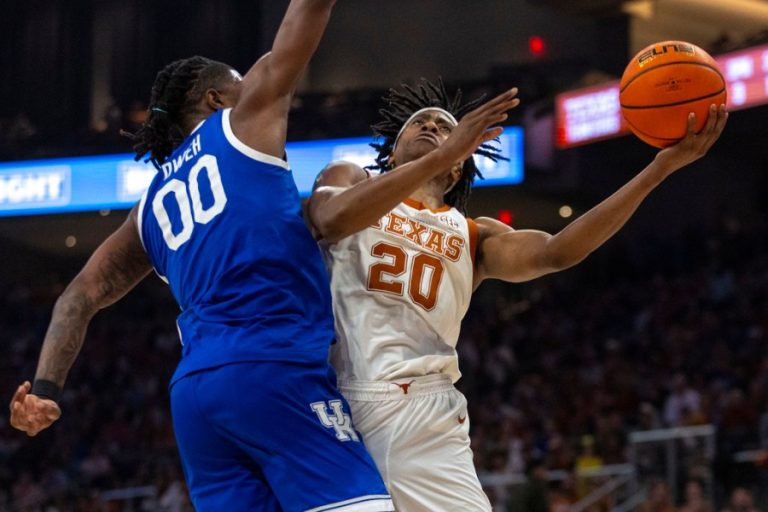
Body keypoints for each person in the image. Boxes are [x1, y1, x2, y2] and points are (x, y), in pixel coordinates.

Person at [8, 1, 395, 511]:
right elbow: (305, 17)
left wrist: (46, 387)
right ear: (215, 99)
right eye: (238, 85)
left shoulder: (145, 209)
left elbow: (78, 297)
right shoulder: (242, 122)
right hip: (273, 366)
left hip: (196, 397)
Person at [308, 77, 727, 510]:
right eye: (420, 123)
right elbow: (331, 218)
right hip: (340, 400)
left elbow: (557, 251)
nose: (432, 126)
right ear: (393, 152)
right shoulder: (350, 177)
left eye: (444, 126)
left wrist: (657, 171)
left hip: (425, 412)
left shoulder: (476, 235)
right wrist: (451, 148)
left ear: (457, 170)